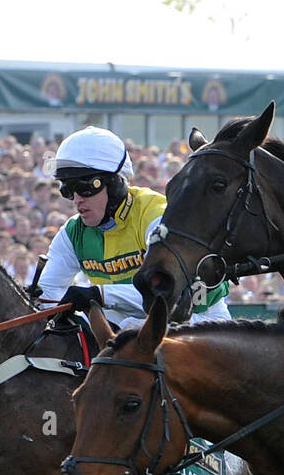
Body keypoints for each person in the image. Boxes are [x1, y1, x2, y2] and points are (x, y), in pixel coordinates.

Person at [37, 126, 229, 330]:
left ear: (115, 182)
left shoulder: (157, 216)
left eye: (85, 187)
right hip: (127, 323)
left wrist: (99, 294)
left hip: (197, 320)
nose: (77, 199)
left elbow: (165, 292)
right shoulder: (73, 232)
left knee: (128, 329)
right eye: (68, 189)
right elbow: (46, 292)